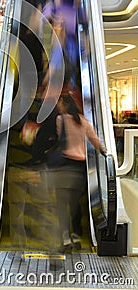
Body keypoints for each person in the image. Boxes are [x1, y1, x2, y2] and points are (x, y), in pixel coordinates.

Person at [48, 94, 106, 252]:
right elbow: (95, 141)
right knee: (75, 205)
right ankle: (77, 236)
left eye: (60, 103)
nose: (58, 106)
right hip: (79, 168)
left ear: (65, 105)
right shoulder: (83, 121)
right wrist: (105, 153)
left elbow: (60, 140)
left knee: (61, 205)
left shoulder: (60, 120)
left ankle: (65, 239)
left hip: (63, 165)